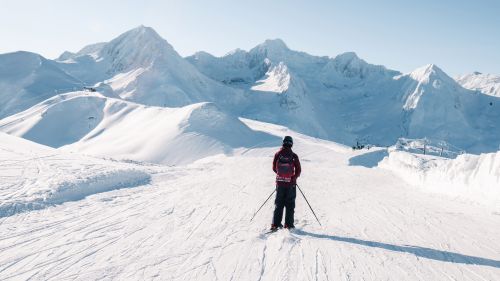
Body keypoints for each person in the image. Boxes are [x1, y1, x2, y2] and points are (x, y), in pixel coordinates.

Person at [271, 136, 301, 231]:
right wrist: (293, 178)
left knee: (278, 204)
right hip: (290, 185)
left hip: (280, 183)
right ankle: (288, 225)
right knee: (290, 204)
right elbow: (298, 170)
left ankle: (275, 224)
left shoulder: (278, 154)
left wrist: (281, 176)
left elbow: (274, 168)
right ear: (291, 144)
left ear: (283, 143)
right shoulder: (294, 156)